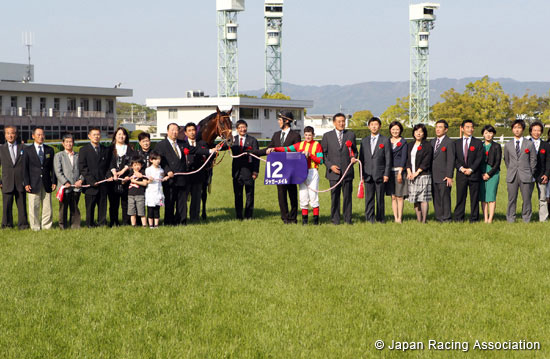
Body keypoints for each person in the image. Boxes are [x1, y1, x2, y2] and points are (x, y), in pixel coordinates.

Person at [155, 123, 216, 225]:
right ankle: (169, 222)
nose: (174, 132)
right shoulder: (161, 145)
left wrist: (210, 150)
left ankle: (181, 221)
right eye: (172, 130)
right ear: (167, 131)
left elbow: (195, 149)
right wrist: (167, 170)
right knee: (170, 201)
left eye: (176, 130)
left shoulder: (182, 143)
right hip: (170, 178)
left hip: (182, 177)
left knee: (182, 202)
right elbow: (160, 160)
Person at [256, 111, 301, 224]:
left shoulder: (296, 135)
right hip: (279, 171)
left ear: (286, 121)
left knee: (292, 194)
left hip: (291, 170)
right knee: (281, 194)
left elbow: (296, 153)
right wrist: (252, 152)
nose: (278, 121)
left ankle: (293, 217)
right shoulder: (276, 135)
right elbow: (268, 149)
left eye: (280, 120)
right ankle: (285, 218)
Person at [274, 126, 324, 225]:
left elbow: (321, 161)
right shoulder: (300, 145)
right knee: (303, 195)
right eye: (306, 135)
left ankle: (315, 222)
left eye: (310, 135)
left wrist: (310, 155)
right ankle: (305, 222)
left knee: (313, 196)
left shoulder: (317, 145)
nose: (308, 137)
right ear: (304, 135)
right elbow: (286, 149)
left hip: (312, 172)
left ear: (313, 135)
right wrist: (274, 148)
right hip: (301, 172)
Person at [321, 113, 358, 225]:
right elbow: (323, 154)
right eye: (339, 121)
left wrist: (354, 157)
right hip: (333, 173)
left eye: (343, 121)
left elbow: (355, 151)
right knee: (335, 197)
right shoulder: (327, 136)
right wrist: (330, 166)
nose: (342, 123)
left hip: (347, 171)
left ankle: (347, 219)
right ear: (334, 123)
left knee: (347, 197)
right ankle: (335, 220)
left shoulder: (351, 135)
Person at [22, 127, 57, 231]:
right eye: (38, 135)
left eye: (42, 135)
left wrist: (54, 181)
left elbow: (53, 168)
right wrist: (26, 183)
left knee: (47, 207)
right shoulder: (27, 150)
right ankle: (35, 227)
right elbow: (25, 169)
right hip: (33, 183)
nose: (41, 137)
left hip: (47, 183)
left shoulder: (49, 150)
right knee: (34, 207)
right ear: (33, 136)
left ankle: (46, 226)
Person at [358, 117, 391, 223]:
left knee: (380, 198)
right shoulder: (364, 141)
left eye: (376, 124)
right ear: (368, 127)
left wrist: (386, 174)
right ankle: (369, 218)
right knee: (369, 198)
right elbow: (361, 159)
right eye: (372, 124)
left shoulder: (385, 140)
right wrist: (361, 174)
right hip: (367, 174)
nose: (374, 126)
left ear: (380, 126)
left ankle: (380, 218)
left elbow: (388, 158)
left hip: (380, 174)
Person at [225, 119, 260, 220]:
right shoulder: (233, 139)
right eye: (240, 127)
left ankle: (248, 215)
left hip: (249, 172)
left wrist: (255, 171)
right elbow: (224, 146)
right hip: (236, 172)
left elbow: (256, 157)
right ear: (237, 129)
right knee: (238, 195)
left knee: (249, 194)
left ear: (246, 128)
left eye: (244, 127)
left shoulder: (253, 140)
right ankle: (239, 216)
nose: (242, 129)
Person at [504, 119, 536, 223]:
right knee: (511, 198)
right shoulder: (508, 144)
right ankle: (510, 218)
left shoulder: (529, 144)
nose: (517, 130)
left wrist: (530, 172)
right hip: (512, 175)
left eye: (519, 128)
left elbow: (533, 160)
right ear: (512, 129)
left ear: (523, 129)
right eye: (515, 128)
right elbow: (507, 160)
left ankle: (526, 218)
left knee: (526, 198)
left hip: (526, 175)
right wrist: (511, 170)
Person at [79, 127, 112, 227]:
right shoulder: (84, 150)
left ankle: (102, 223)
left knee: (102, 205)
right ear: (89, 136)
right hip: (90, 184)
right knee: (90, 206)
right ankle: (90, 224)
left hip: (103, 182)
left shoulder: (105, 149)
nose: (96, 137)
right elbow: (82, 167)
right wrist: (91, 180)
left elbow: (109, 165)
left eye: (98, 134)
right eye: (94, 135)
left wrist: (108, 176)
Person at [453, 119, 484, 222]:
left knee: (474, 198)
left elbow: (479, 158)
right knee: (460, 197)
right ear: (462, 128)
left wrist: (471, 169)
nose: (470, 129)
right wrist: (461, 168)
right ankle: (458, 218)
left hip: (474, 174)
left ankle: (474, 218)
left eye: (471, 127)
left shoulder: (478, 143)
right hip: (461, 174)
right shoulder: (456, 143)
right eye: (467, 127)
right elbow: (454, 158)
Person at [0, 125, 29, 229]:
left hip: (20, 181)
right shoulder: (1, 149)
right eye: (8, 133)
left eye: (12, 133)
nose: (10, 135)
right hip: (6, 182)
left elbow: (27, 166)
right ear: (5, 135)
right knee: (6, 206)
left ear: (16, 135)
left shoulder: (24, 148)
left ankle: (23, 225)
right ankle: (7, 224)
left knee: (22, 205)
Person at [53, 133, 83, 229]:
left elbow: (83, 169)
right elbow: (58, 171)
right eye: (67, 142)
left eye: (71, 142)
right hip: (64, 187)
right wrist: (65, 182)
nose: (69, 144)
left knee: (74, 207)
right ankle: (63, 226)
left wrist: (81, 180)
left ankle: (75, 225)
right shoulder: (59, 156)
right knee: (63, 208)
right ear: (63, 143)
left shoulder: (78, 156)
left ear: (73, 143)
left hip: (76, 186)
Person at [182, 122, 210, 223]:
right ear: (185, 133)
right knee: (183, 198)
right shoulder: (182, 144)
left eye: (193, 130)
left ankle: (195, 218)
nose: (192, 133)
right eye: (189, 131)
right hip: (186, 175)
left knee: (196, 198)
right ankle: (183, 218)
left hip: (198, 175)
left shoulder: (202, 143)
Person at [108, 127, 135, 226]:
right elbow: (109, 163)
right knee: (113, 203)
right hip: (113, 179)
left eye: (123, 134)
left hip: (126, 179)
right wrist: (114, 172)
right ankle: (113, 221)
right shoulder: (110, 148)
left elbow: (132, 163)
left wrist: (125, 171)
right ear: (115, 136)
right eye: (119, 134)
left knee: (125, 202)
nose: (121, 136)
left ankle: (125, 222)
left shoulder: (130, 148)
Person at [406, 124, 433, 223]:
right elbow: (407, 159)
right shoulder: (410, 145)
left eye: (421, 131)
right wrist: (409, 171)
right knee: (415, 199)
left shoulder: (427, 145)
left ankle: (424, 220)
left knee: (423, 198)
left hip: (423, 175)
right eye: (416, 131)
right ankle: (418, 219)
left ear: (424, 133)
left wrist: (417, 172)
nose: (418, 133)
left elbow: (426, 161)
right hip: (411, 175)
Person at [430, 120, 455, 223]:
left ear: (446, 129)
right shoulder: (432, 142)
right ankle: (439, 217)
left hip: (444, 176)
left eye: (440, 127)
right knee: (436, 197)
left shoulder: (449, 142)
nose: (438, 129)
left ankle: (446, 217)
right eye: (436, 127)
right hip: (433, 175)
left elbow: (451, 160)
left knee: (445, 197)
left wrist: (449, 175)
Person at [386, 121, 408, 223]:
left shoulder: (403, 142)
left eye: (397, 129)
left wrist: (400, 172)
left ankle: (400, 218)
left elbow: (404, 158)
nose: (395, 131)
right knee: (393, 196)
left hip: (399, 172)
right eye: (393, 129)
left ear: (400, 130)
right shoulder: (387, 141)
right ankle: (395, 217)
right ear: (390, 130)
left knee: (400, 196)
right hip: (389, 172)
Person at [479, 125, 501, 224]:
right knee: (483, 197)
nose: (488, 135)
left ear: (494, 134)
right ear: (483, 134)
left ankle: (490, 219)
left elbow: (497, 162)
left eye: (490, 133)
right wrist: (482, 173)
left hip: (493, 173)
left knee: (491, 196)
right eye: (486, 133)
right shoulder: (480, 145)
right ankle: (485, 218)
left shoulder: (497, 146)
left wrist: (489, 174)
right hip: (481, 172)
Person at [529, 121, 550, 222]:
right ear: (531, 131)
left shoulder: (546, 145)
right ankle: (527, 218)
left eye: (539, 130)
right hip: (528, 174)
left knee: (542, 198)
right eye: (534, 130)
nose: (536, 132)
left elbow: (548, 161)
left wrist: (546, 174)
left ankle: (543, 218)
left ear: (541, 132)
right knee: (527, 198)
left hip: (542, 175)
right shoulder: (526, 143)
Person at [123, 156, 148, 228]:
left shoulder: (143, 172)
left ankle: (144, 225)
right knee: (132, 212)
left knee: (141, 211)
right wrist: (125, 180)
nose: (137, 167)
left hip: (140, 194)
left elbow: (145, 183)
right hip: (130, 195)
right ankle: (133, 225)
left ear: (141, 165)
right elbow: (124, 182)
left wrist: (135, 181)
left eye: (138, 165)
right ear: (132, 166)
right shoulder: (131, 172)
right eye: (135, 165)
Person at [145, 152, 167, 228]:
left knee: (157, 209)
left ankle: (156, 224)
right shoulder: (148, 169)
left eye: (159, 159)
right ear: (151, 160)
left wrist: (165, 178)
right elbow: (147, 180)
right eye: (156, 159)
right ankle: (151, 225)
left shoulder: (161, 169)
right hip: (151, 192)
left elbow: (162, 177)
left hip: (159, 192)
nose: (158, 161)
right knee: (150, 210)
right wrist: (149, 179)